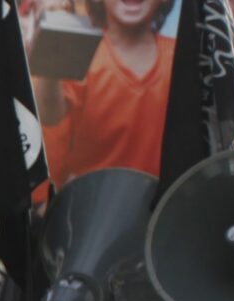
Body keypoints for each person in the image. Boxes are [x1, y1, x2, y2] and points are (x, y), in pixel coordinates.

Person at [35, 0, 175, 179]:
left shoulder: (180, 55)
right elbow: (49, 114)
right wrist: (55, 36)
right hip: (92, 197)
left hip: (161, 200)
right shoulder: (81, 53)